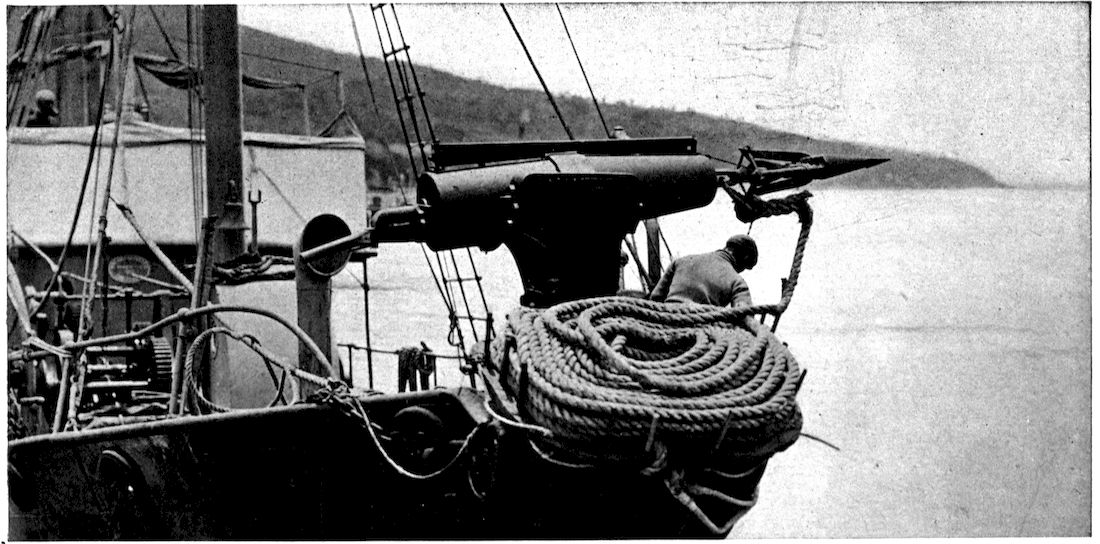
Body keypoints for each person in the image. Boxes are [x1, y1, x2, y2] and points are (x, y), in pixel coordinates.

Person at [648, 234, 757, 307]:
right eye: (744, 268)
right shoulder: (737, 281)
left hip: (667, 318)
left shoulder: (681, 261)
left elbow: (655, 298)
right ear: (745, 258)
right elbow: (744, 316)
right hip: (701, 329)